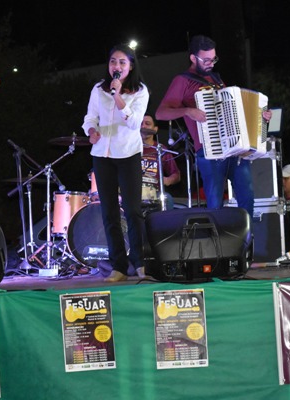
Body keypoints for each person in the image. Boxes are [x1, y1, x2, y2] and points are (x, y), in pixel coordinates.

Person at [156, 34, 270, 218]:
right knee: (215, 204)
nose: (212, 63)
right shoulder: (182, 81)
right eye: (206, 60)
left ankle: (247, 243)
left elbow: (234, 113)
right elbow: (161, 113)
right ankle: (217, 244)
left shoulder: (216, 80)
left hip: (234, 150)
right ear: (193, 58)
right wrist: (187, 111)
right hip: (209, 152)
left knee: (247, 198)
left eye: (213, 58)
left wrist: (260, 116)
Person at [82, 44, 150, 282]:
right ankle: (118, 266)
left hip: (129, 154)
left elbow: (134, 124)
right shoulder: (98, 90)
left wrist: (118, 96)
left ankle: (141, 263)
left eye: (122, 62)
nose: (117, 66)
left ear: (131, 66)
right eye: (113, 62)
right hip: (102, 155)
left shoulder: (140, 91)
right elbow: (90, 116)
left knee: (132, 210)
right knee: (109, 212)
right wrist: (90, 130)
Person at [140, 113, 181, 211]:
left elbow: (176, 174)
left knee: (167, 199)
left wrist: (168, 180)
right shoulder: (129, 148)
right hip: (133, 192)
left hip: (155, 193)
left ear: (155, 129)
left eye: (147, 123)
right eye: (141, 124)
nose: (143, 126)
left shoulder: (161, 149)